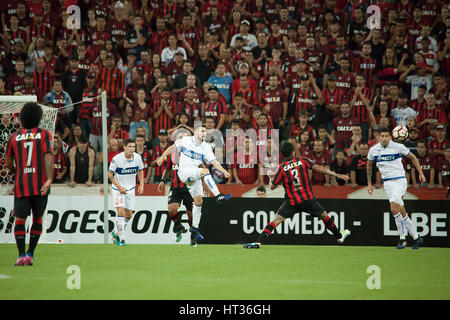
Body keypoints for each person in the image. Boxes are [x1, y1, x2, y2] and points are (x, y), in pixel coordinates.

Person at [243, 142, 351, 249]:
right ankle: (339, 236)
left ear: (283, 154)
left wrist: (271, 177)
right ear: (293, 152)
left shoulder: (281, 167)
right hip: (308, 199)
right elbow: (320, 169)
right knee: (324, 216)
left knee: (275, 221)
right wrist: (336, 174)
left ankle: (259, 242)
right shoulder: (303, 160)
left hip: (292, 202)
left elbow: (272, 187)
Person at [157, 125, 232, 247]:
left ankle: (194, 229)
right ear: (196, 132)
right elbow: (172, 147)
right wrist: (162, 157)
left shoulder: (205, 147)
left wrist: (223, 171)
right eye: (202, 130)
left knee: (198, 201)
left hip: (194, 177)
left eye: (205, 131)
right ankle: (218, 195)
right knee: (206, 172)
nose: (204, 132)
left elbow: (214, 162)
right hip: (184, 174)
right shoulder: (186, 141)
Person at [5, 102, 53, 266]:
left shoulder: (13, 137)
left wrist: (15, 172)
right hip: (40, 185)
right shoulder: (45, 134)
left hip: (22, 185)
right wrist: (49, 179)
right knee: (37, 219)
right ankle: (31, 254)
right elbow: (48, 157)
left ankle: (21, 255)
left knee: (19, 220)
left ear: (23, 117)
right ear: (38, 117)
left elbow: (8, 162)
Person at [367, 127, 427, 249]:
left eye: (386, 136)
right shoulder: (373, 150)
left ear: (390, 137)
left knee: (394, 205)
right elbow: (369, 166)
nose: (384, 138)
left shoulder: (398, 147)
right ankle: (412, 238)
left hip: (400, 180)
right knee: (396, 209)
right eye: (382, 136)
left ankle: (408, 238)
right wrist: (369, 183)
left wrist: (421, 173)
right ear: (378, 137)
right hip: (388, 183)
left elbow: (413, 157)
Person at [157, 135, 194, 243]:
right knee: (171, 210)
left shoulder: (191, 155)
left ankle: (193, 234)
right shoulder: (171, 155)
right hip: (175, 187)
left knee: (191, 214)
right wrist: (163, 180)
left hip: (188, 188)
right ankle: (179, 227)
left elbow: (200, 168)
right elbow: (168, 169)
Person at [109, 139, 145, 246]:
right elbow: (109, 175)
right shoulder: (117, 159)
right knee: (120, 212)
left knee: (129, 215)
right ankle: (122, 238)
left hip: (131, 189)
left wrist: (142, 184)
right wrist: (119, 187)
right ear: (124, 147)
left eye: (133, 147)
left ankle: (116, 233)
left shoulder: (137, 157)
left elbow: (141, 170)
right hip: (118, 189)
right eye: (129, 147)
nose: (132, 149)